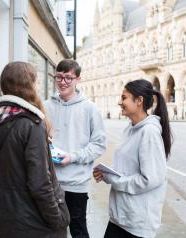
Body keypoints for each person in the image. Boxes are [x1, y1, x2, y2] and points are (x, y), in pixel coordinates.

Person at [0, 62, 70, 238]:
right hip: (35, 226)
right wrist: (58, 219)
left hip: (4, 221)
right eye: (37, 82)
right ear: (29, 85)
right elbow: (40, 185)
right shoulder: (31, 124)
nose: (38, 86)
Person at [93, 79, 172, 238]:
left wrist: (113, 179)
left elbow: (150, 179)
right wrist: (107, 172)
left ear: (139, 101)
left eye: (124, 98)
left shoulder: (149, 133)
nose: (119, 102)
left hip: (136, 224)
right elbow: (127, 167)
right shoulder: (130, 129)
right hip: (121, 218)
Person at [44, 59, 106, 238]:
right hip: (49, 182)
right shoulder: (46, 106)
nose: (63, 82)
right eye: (59, 77)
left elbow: (99, 144)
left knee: (78, 230)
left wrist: (72, 157)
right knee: (51, 230)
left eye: (68, 78)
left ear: (78, 79)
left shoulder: (90, 108)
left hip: (76, 184)